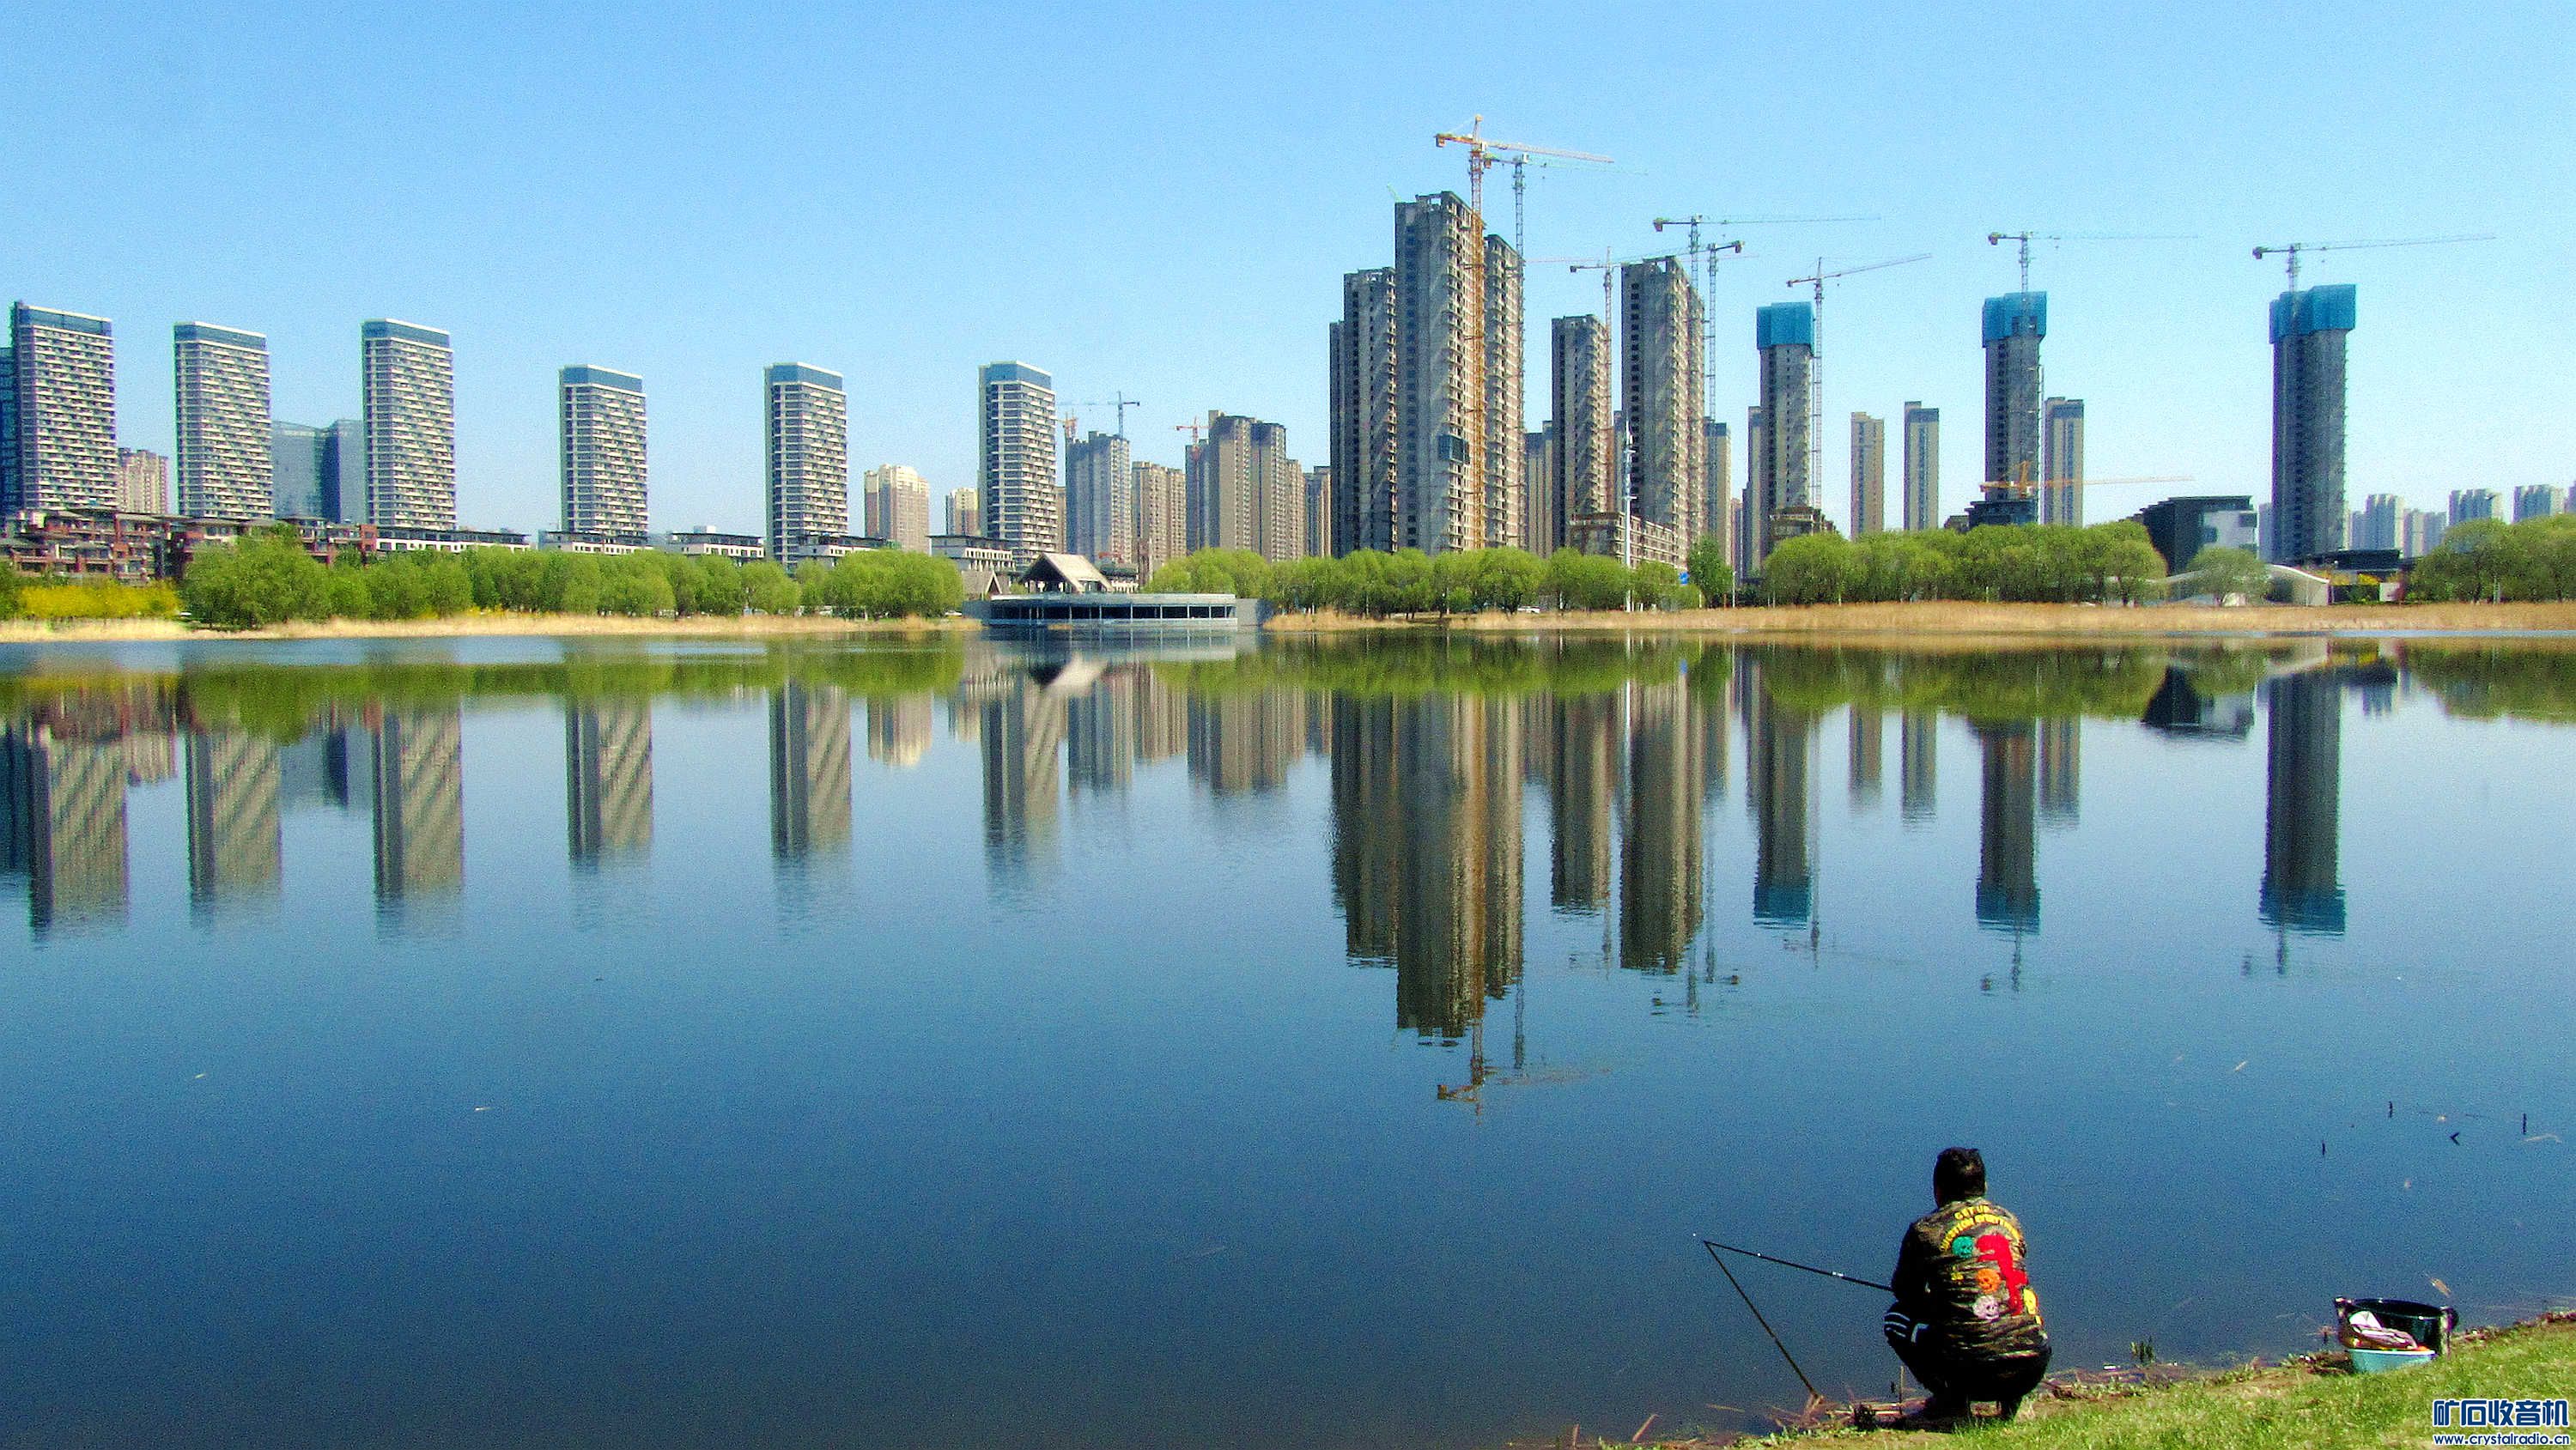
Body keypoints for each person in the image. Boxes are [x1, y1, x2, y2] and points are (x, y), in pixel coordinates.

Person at [1881, 1146, 2052, 1421]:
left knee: (1896, 1320)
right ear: (1984, 1186)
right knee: (2015, 1307)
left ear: (1938, 1190)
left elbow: (1904, 1291)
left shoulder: (1925, 1230)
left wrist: (1938, 1300)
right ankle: (2012, 1405)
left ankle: (1952, 1402)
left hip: (1973, 1375)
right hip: (2032, 1366)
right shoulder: (2008, 1220)